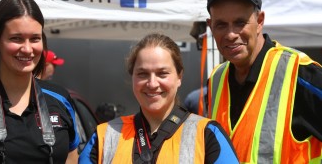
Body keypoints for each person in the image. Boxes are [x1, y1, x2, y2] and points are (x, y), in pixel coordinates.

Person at [206, 0, 322, 163]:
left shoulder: (298, 72)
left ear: (259, 21)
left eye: (240, 23)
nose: (231, 34)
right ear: (210, 26)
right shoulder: (216, 79)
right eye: (221, 25)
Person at [79, 33, 239, 163]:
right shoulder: (104, 136)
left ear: (179, 77)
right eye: (143, 74)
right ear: (132, 77)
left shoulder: (207, 134)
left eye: (162, 73)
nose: (152, 83)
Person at [0, 0, 79, 163]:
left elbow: (71, 156)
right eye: (16, 38)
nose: (27, 49)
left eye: (34, 39)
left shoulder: (60, 98)